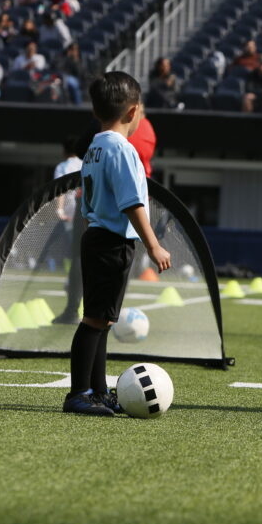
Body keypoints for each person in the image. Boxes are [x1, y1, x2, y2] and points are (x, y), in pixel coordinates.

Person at [65, 72, 170, 416]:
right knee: (94, 321)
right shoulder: (122, 149)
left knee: (103, 319)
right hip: (111, 242)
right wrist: (153, 244)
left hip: (97, 236)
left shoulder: (95, 145)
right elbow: (131, 203)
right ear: (133, 112)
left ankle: (98, 391)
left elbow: (90, 202)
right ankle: (78, 394)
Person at [52, 136, 86, 324]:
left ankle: (73, 285)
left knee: (74, 256)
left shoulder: (63, 166)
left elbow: (60, 190)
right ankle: (75, 285)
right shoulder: (85, 163)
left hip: (71, 217)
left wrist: (59, 210)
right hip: (86, 213)